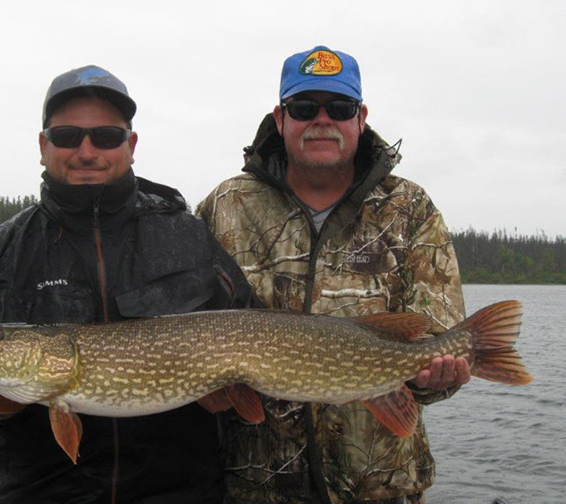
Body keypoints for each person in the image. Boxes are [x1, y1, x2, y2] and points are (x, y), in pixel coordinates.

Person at [0, 65, 256, 503]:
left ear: (131, 146)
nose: (87, 152)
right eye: (67, 136)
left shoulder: (189, 236)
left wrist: (235, 390)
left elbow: (251, 326)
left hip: (180, 492)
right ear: (43, 146)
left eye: (106, 137)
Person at [197, 46, 469, 503]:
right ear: (281, 118)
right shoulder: (225, 207)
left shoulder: (409, 208)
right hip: (256, 488)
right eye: (304, 108)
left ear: (360, 119)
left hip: (380, 489)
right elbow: (189, 332)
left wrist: (436, 379)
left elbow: (438, 334)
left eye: (339, 108)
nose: (321, 120)